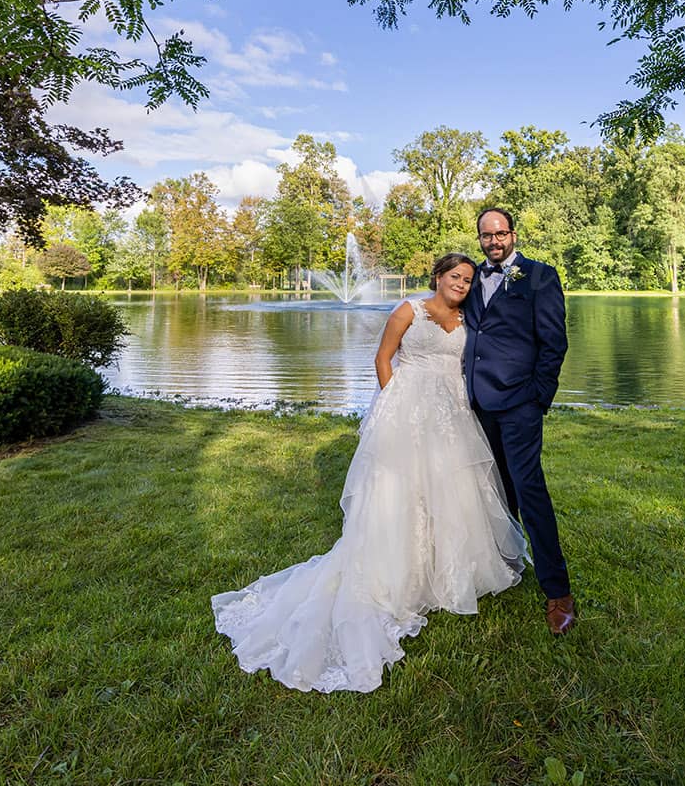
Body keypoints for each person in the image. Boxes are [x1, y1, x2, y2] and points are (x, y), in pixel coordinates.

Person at [211, 253, 526, 693]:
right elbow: (384, 358)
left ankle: (448, 570)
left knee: (454, 490)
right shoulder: (409, 310)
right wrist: (393, 408)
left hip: (452, 414)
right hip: (408, 410)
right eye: (455, 276)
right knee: (401, 492)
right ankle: (397, 575)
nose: (461, 284)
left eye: (468, 280)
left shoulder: (467, 318)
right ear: (438, 277)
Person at [463, 207, 576, 635]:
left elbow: (554, 344)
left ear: (513, 234)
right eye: (486, 236)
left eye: (500, 233)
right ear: (480, 239)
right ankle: (504, 564)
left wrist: (537, 399)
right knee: (494, 488)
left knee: (529, 490)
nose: (494, 241)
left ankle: (558, 591)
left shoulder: (540, 276)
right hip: (477, 404)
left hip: (519, 404)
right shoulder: (471, 277)